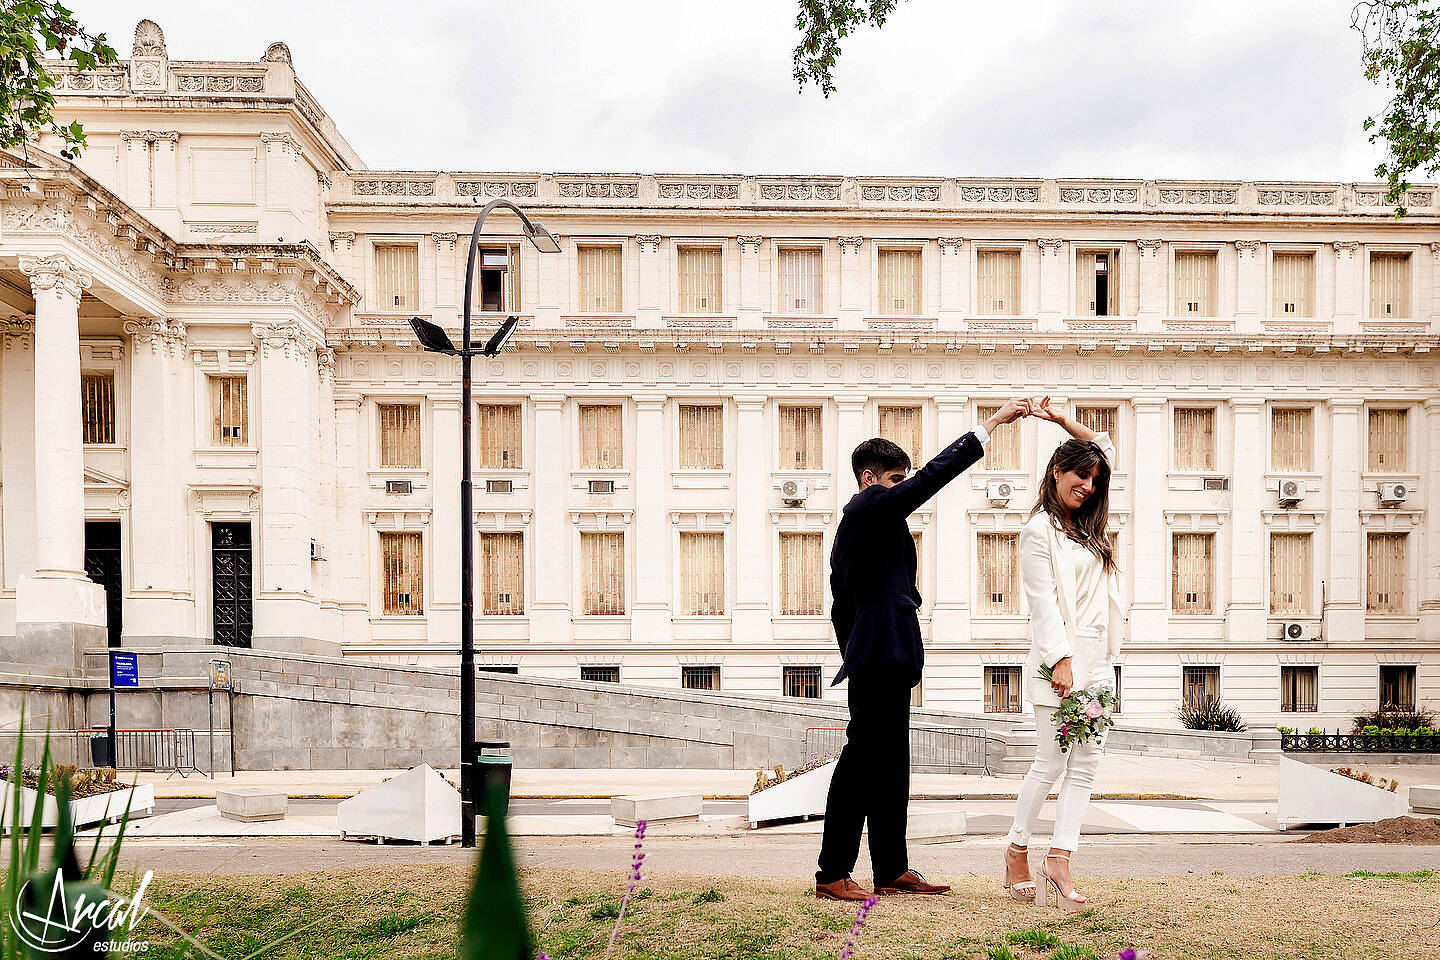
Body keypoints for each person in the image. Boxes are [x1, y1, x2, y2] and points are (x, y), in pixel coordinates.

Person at [815, 397, 1033, 902]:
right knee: (862, 761)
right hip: (877, 657)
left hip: (884, 655)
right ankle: (832, 871)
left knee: (891, 766)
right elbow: (931, 478)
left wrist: (859, 646)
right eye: (896, 480)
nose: (902, 488)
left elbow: (840, 604)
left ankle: (891, 868)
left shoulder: (870, 525)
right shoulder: (867, 507)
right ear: (870, 478)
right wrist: (990, 425)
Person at [1003, 397, 1124, 911]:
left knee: (1087, 763)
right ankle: (1016, 849)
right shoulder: (1039, 531)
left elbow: (1105, 446)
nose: (1088, 486)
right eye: (1080, 476)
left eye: (1094, 480)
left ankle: (1060, 858)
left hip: (1098, 661)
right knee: (1051, 762)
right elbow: (1043, 601)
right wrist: (1061, 659)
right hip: (1062, 661)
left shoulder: (1087, 528)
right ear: (1056, 472)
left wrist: (1060, 420)